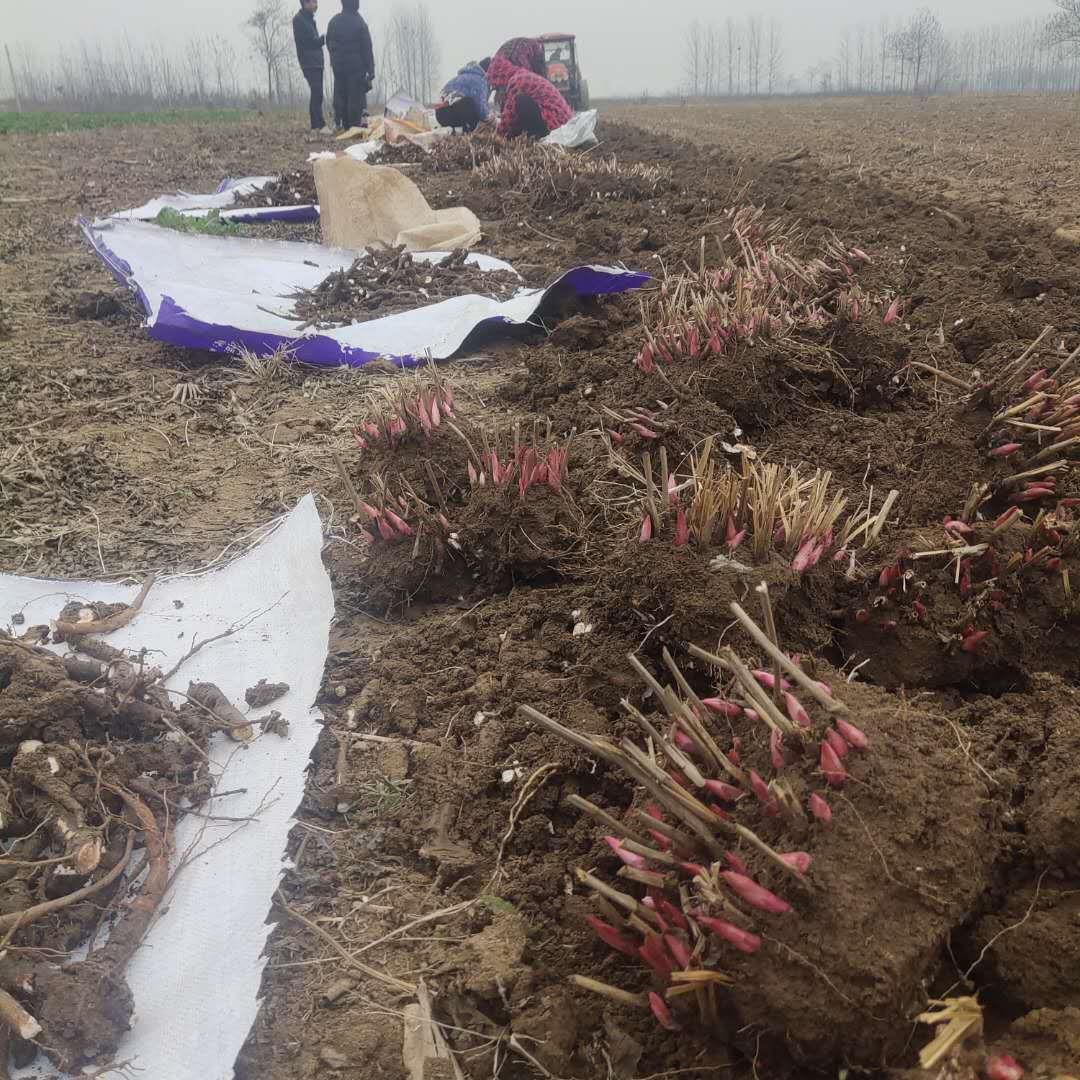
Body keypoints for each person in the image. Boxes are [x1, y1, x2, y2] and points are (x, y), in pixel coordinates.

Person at [487, 53, 571, 141]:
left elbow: (508, 119)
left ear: (500, 77)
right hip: (560, 120)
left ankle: (537, 137)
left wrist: (496, 136)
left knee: (522, 102)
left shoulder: (517, 81)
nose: (498, 90)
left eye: (497, 87)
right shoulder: (520, 75)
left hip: (556, 122)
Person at [326, 0, 375, 131]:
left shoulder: (334, 21)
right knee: (355, 98)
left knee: (340, 95)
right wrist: (370, 70)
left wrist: (335, 61)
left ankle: (340, 123)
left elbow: (329, 43)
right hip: (356, 68)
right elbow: (367, 48)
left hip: (339, 67)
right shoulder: (360, 22)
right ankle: (353, 127)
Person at [292, 0, 330, 135]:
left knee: (317, 94)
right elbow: (309, 42)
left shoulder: (309, 19)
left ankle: (317, 125)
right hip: (309, 63)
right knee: (317, 92)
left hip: (316, 62)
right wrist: (324, 39)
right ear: (305, 3)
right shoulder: (299, 20)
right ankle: (318, 125)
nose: (316, 4)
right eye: (313, 2)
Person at [434, 61, 490, 133]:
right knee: (471, 103)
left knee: (465, 101)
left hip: (440, 115)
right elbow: (481, 108)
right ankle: (468, 130)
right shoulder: (480, 80)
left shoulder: (458, 78)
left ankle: (455, 130)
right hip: (457, 115)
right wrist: (490, 119)